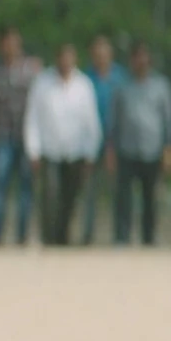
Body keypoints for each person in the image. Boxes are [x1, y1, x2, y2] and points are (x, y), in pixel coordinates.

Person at [26, 44, 101, 247]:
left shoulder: (83, 85)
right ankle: (48, 238)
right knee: (50, 196)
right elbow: (33, 118)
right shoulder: (42, 83)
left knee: (70, 197)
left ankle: (63, 238)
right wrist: (33, 149)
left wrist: (90, 152)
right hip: (50, 150)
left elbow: (91, 122)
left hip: (75, 152)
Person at [109, 43, 171, 246]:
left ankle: (149, 238)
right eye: (137, 57)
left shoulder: (161, 86)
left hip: (152, 150)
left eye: (144, 57)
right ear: (132, 61)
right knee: (124, 197)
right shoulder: (122, 87)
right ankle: (122, 237)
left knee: (150, 197)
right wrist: (111, 149)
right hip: (126, 149)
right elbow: (114, 119)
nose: (140, 61)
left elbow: (168, 119)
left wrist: (169, 149)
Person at [0, 26, 40, 246]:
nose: (11, 46)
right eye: (7, 42)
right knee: (0, 185)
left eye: (14, 42)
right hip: (3, 135)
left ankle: (22, 236)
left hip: (27, 136)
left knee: (26, 188)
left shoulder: (31, 69)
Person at [78, 34, 128, 244]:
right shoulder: (84, 78)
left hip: (115, 143)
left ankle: (120, 236)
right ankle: (88, 234)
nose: (101, 57)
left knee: (118, 192)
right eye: (97, 54)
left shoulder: (121, 78)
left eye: (104, 53)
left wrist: (114, 144)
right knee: (89, 191)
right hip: (90, 143)